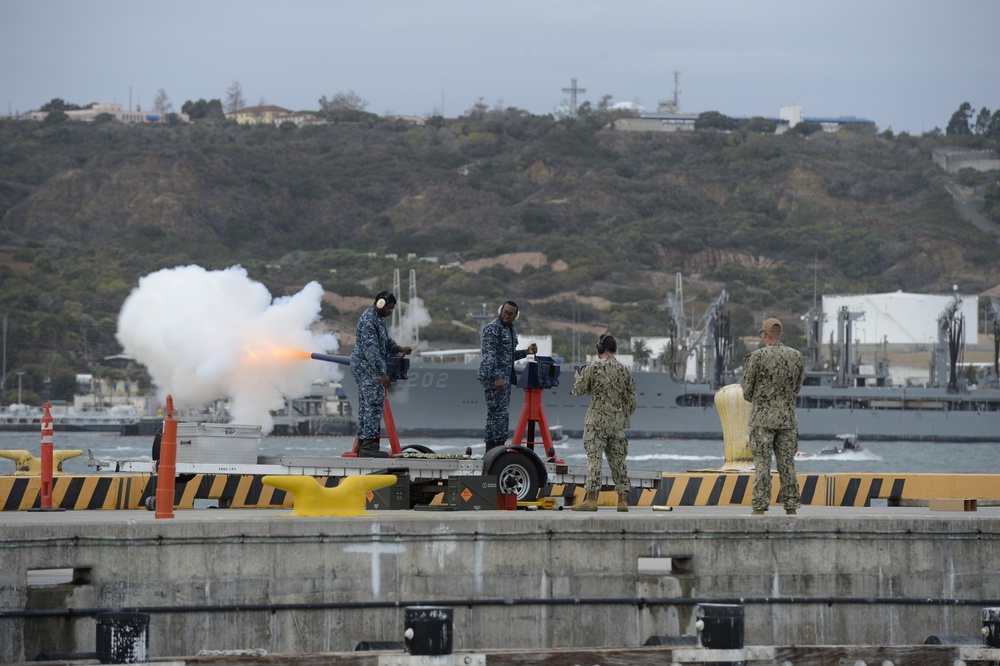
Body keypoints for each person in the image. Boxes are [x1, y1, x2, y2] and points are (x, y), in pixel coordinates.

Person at [741, 317, 806, 515]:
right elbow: (797, 388)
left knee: (762, 463)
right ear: (780, 334)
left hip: (762, 420)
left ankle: (760, 505)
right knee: (787, 463)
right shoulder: (797, 356)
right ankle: (791, 506)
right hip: (787, 419)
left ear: (764, 335)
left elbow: (746, 390)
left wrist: (762, 401)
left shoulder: (757, 357)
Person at [569, 334, 637, 512]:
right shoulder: (625, 370)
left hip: (596, 423)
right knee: (619, 462)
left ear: (600, 349)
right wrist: (621, 416)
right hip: (617, 425)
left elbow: (578, 391)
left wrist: (578, 378)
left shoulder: (593, 367)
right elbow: (632, 402)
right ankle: (622, 501)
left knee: (594, 460)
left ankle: (591, 499)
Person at [350, 291, 412, 458]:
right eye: (389, 308)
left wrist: (399, 348)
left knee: (365, 406)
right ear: (380, 304)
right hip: (367, 368)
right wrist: (382, 373)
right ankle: (368, 446)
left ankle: (363, 445)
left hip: (366, 367)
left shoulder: (378, 319)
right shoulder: (369, 321)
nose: (391, 312)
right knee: (374, 405)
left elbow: (384, 341)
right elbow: (371, 351)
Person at [477, 300, 537, 451]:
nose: (507, 316)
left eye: (511, 314)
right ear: (500, 311)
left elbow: (507, 356)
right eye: (505, 312)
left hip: (504, 377)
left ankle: (492, 450)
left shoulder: (510, 329)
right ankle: (497, 449)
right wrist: (497, 377)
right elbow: (489, 356)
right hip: (495, 378)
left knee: (496, 415)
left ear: (515, 316)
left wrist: (526, 352)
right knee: (500, 415)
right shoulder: (492, 329)